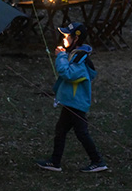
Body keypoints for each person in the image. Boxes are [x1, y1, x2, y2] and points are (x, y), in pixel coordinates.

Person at [36, 22, 108, 173]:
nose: (64, 39)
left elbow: (67, 73)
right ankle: (55, 162)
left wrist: (61, 55)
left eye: (67, 36)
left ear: (76, 39)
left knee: (81, 132)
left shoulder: (78, 58)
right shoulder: (75, 54)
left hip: (76, 102)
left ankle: (97, 161)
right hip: (70, 101)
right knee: (61, 130)